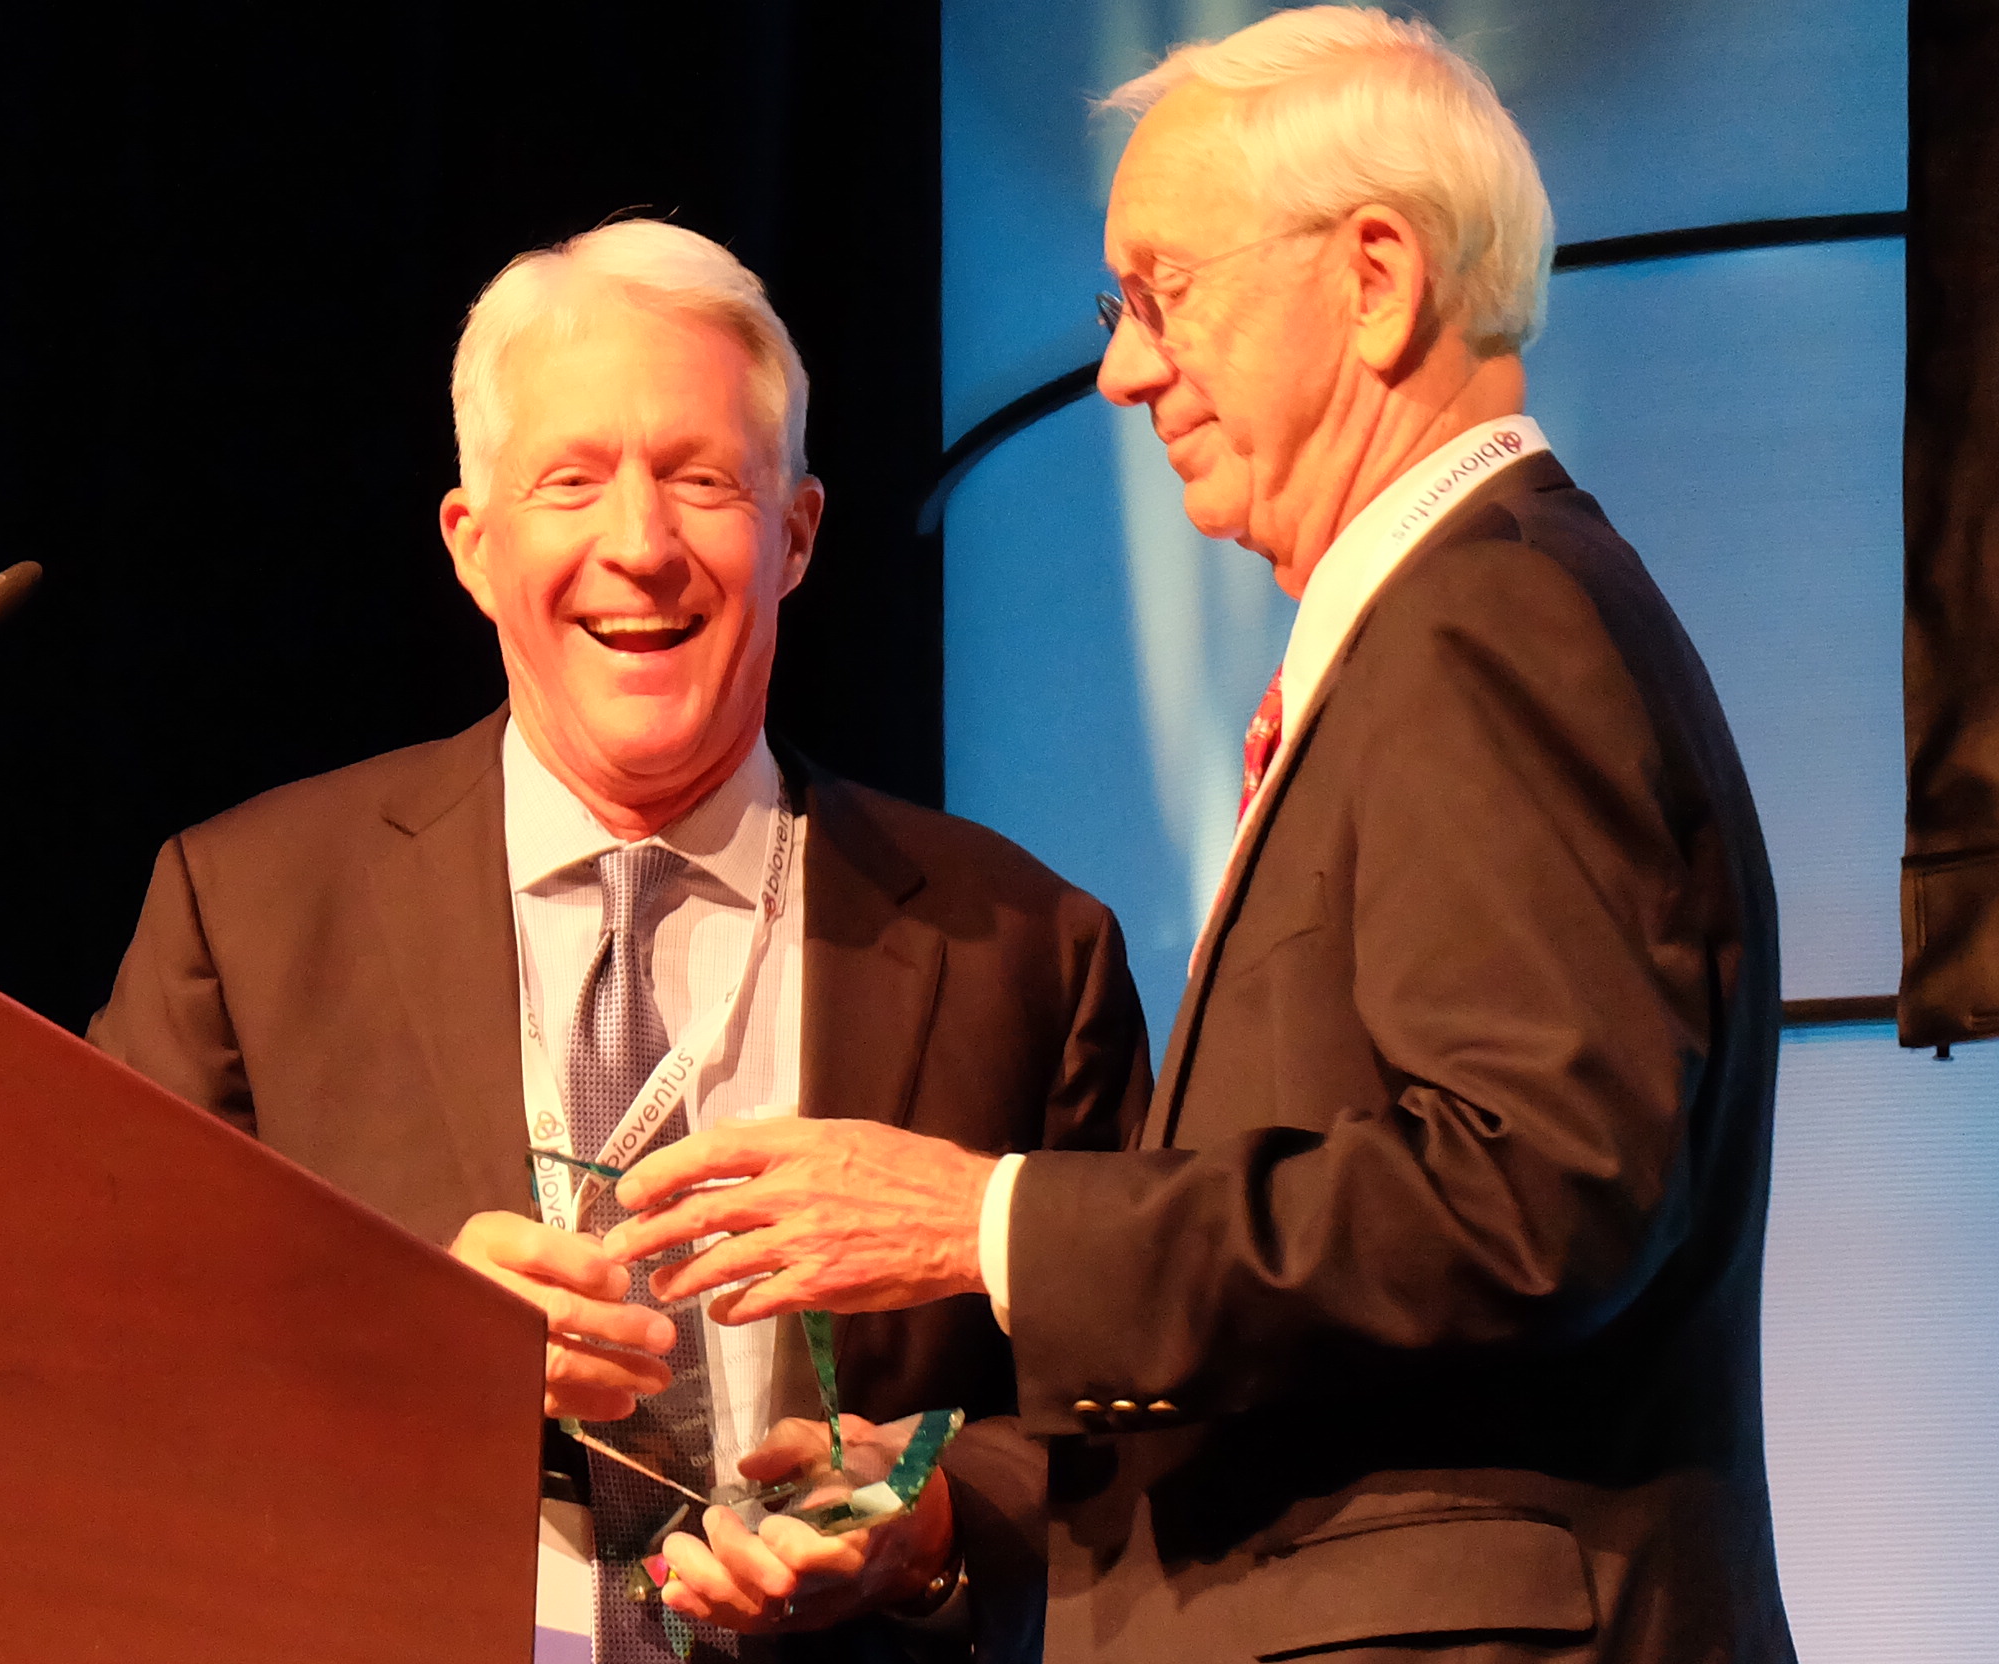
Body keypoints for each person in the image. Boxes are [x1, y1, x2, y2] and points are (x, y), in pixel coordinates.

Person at [604, 12, 1797, 1663]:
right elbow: (1345, 1355)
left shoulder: (1490, 624)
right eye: (1121, 314)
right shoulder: (1451, 629)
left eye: (1163, 294)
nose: (1123, 371)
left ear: (1374, 280)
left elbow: (1536, 1195)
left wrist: (985, 1222)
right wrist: (943, 1506)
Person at [89, 218, 1150, 1664]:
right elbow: (93, 1342)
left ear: (796, 535)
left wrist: (939, 1523)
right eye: (572, 480)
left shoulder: (1021, 947)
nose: (640, 548)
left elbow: (1139, 1417)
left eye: (703, 479)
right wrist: (402, 1342)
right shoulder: (252, 910)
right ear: (474, 546)